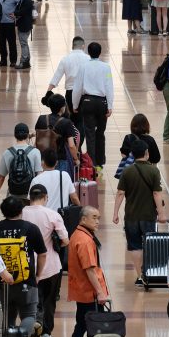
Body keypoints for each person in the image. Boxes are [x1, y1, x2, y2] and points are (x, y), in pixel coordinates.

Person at [0, 196, 47, 337]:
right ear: (21, 210)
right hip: (27, 280)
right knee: (30, 315)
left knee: (8, 316)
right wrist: (37, 275)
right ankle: (21, 336)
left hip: (2, 282)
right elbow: (42, 254)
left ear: (3, 211)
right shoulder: (31, 228)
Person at [113, 139, 167, 285]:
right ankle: (148, 271)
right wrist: (161, 214)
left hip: (131, 216)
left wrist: (115, 213)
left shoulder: (127, 171)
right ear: (146, 153)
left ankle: (139, 275)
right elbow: (157, 194)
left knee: (134, 245)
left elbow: (120, 193)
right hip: (148, 216)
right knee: (149, 243)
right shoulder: (153, 170)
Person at [21, 184, 69, 337]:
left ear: (30, 197)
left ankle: (28, 330)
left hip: (25, 265)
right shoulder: (52, 215)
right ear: (45, 197)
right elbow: (65, 240)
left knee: (29, 301)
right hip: (50, 266)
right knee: (49, 301)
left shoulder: (21, 213)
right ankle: (46, 333)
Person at [65, 206, 109, 337]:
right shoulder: (84, 240)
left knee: (81, 326)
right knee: (94, 328)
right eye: (94, 218)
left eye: (98, 218)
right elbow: (89, 269)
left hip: (82, 291)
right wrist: (100, 292)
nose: (97, 221)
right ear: (83, 219)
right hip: (89, 293)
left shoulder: (78, 234)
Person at [73, 42, 114, 172]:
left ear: (89, 53)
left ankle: (91, 163)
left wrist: (75, 104)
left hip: (88, 102)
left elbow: (77, 86)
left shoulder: (83, 67)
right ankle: (100, 162)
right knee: (100, 133)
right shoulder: (106, 68)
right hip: (102, 103)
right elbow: (109, 86)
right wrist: (110, 105)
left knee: (90, 134)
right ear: (100, 52)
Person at [0, 122, 43, 210]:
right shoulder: (35, 152)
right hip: (29, 196)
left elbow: (0, 177)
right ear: (27, 135)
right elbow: (39, 176)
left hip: (13, 194)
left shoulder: (7, 152)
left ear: (15, 135)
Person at [48, 35, 89, 126]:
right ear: (83, 46)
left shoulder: (65, 59)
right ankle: (80, 138)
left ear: (72, 46)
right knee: (82, 120)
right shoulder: (88, 59)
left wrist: (48, 92)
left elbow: (56, 78)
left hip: (70, 93)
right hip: (85, 93)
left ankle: (72, 138)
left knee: (72, 119)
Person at [30, 147, 80, 212]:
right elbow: (74, 198)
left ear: (42, 163)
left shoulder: (36, 180)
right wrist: (80, 210)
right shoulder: (64, 175)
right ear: (56, 163)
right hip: (61, 216)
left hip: (44, 216)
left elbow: (32, 203)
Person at [0, 0, 21, 67]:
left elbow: (23, 3)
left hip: (9, 22)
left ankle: (13, 60)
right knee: (1, 42)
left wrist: (17, 14)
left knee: (11, 42)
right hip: (1, 22)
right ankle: (3, 60)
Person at [15, 0, 35, 70]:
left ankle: (23, 62)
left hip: (25, 25)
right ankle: (27, 61)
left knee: (23, 43)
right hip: (24, 24)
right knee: (24, 43)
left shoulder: (27, 0)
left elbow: (22, 11)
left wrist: (14, 13)